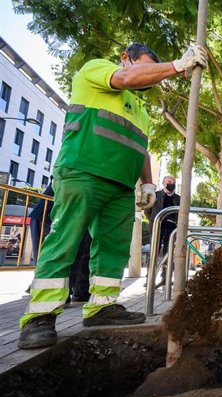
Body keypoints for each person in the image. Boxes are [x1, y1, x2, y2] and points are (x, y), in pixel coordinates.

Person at [17, 42, 208, 349]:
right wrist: (176, 66)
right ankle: (39, 317)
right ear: (125, 59)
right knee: (64, 241)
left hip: (121, 185)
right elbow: (126, 79)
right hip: (83, 171)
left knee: (112, 249)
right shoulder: (99, 70)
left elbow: (141, 148)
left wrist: (147, 183)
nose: (148, 78)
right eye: (144, 67)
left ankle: (101, 307)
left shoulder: (141, 109)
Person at [144, 175, 181, 287]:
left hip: (171, 229)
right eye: (169, 181)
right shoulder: (157, 195)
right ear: (164, 183)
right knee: (153, 253)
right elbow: (147, 211)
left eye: (173, 182)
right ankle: (149, 279)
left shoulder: (178, 198)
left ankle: (166, 278)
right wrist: (153, 220)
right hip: (157, 227)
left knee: (168, 253)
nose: (172, 184)